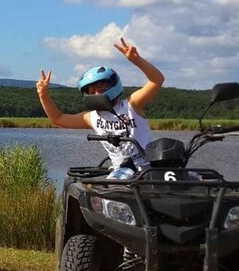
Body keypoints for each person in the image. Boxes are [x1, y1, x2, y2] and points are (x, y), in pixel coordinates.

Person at [36, 37, 164, 179]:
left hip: (149, 169)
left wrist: (136, 60)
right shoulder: (93, 117)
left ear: (113, 84)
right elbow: (58, 119)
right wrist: (43, 94)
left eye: (100, 86)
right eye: (91, 90)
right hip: (122, 173)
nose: (96, 92)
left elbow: (156, 80)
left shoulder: (132, 105)